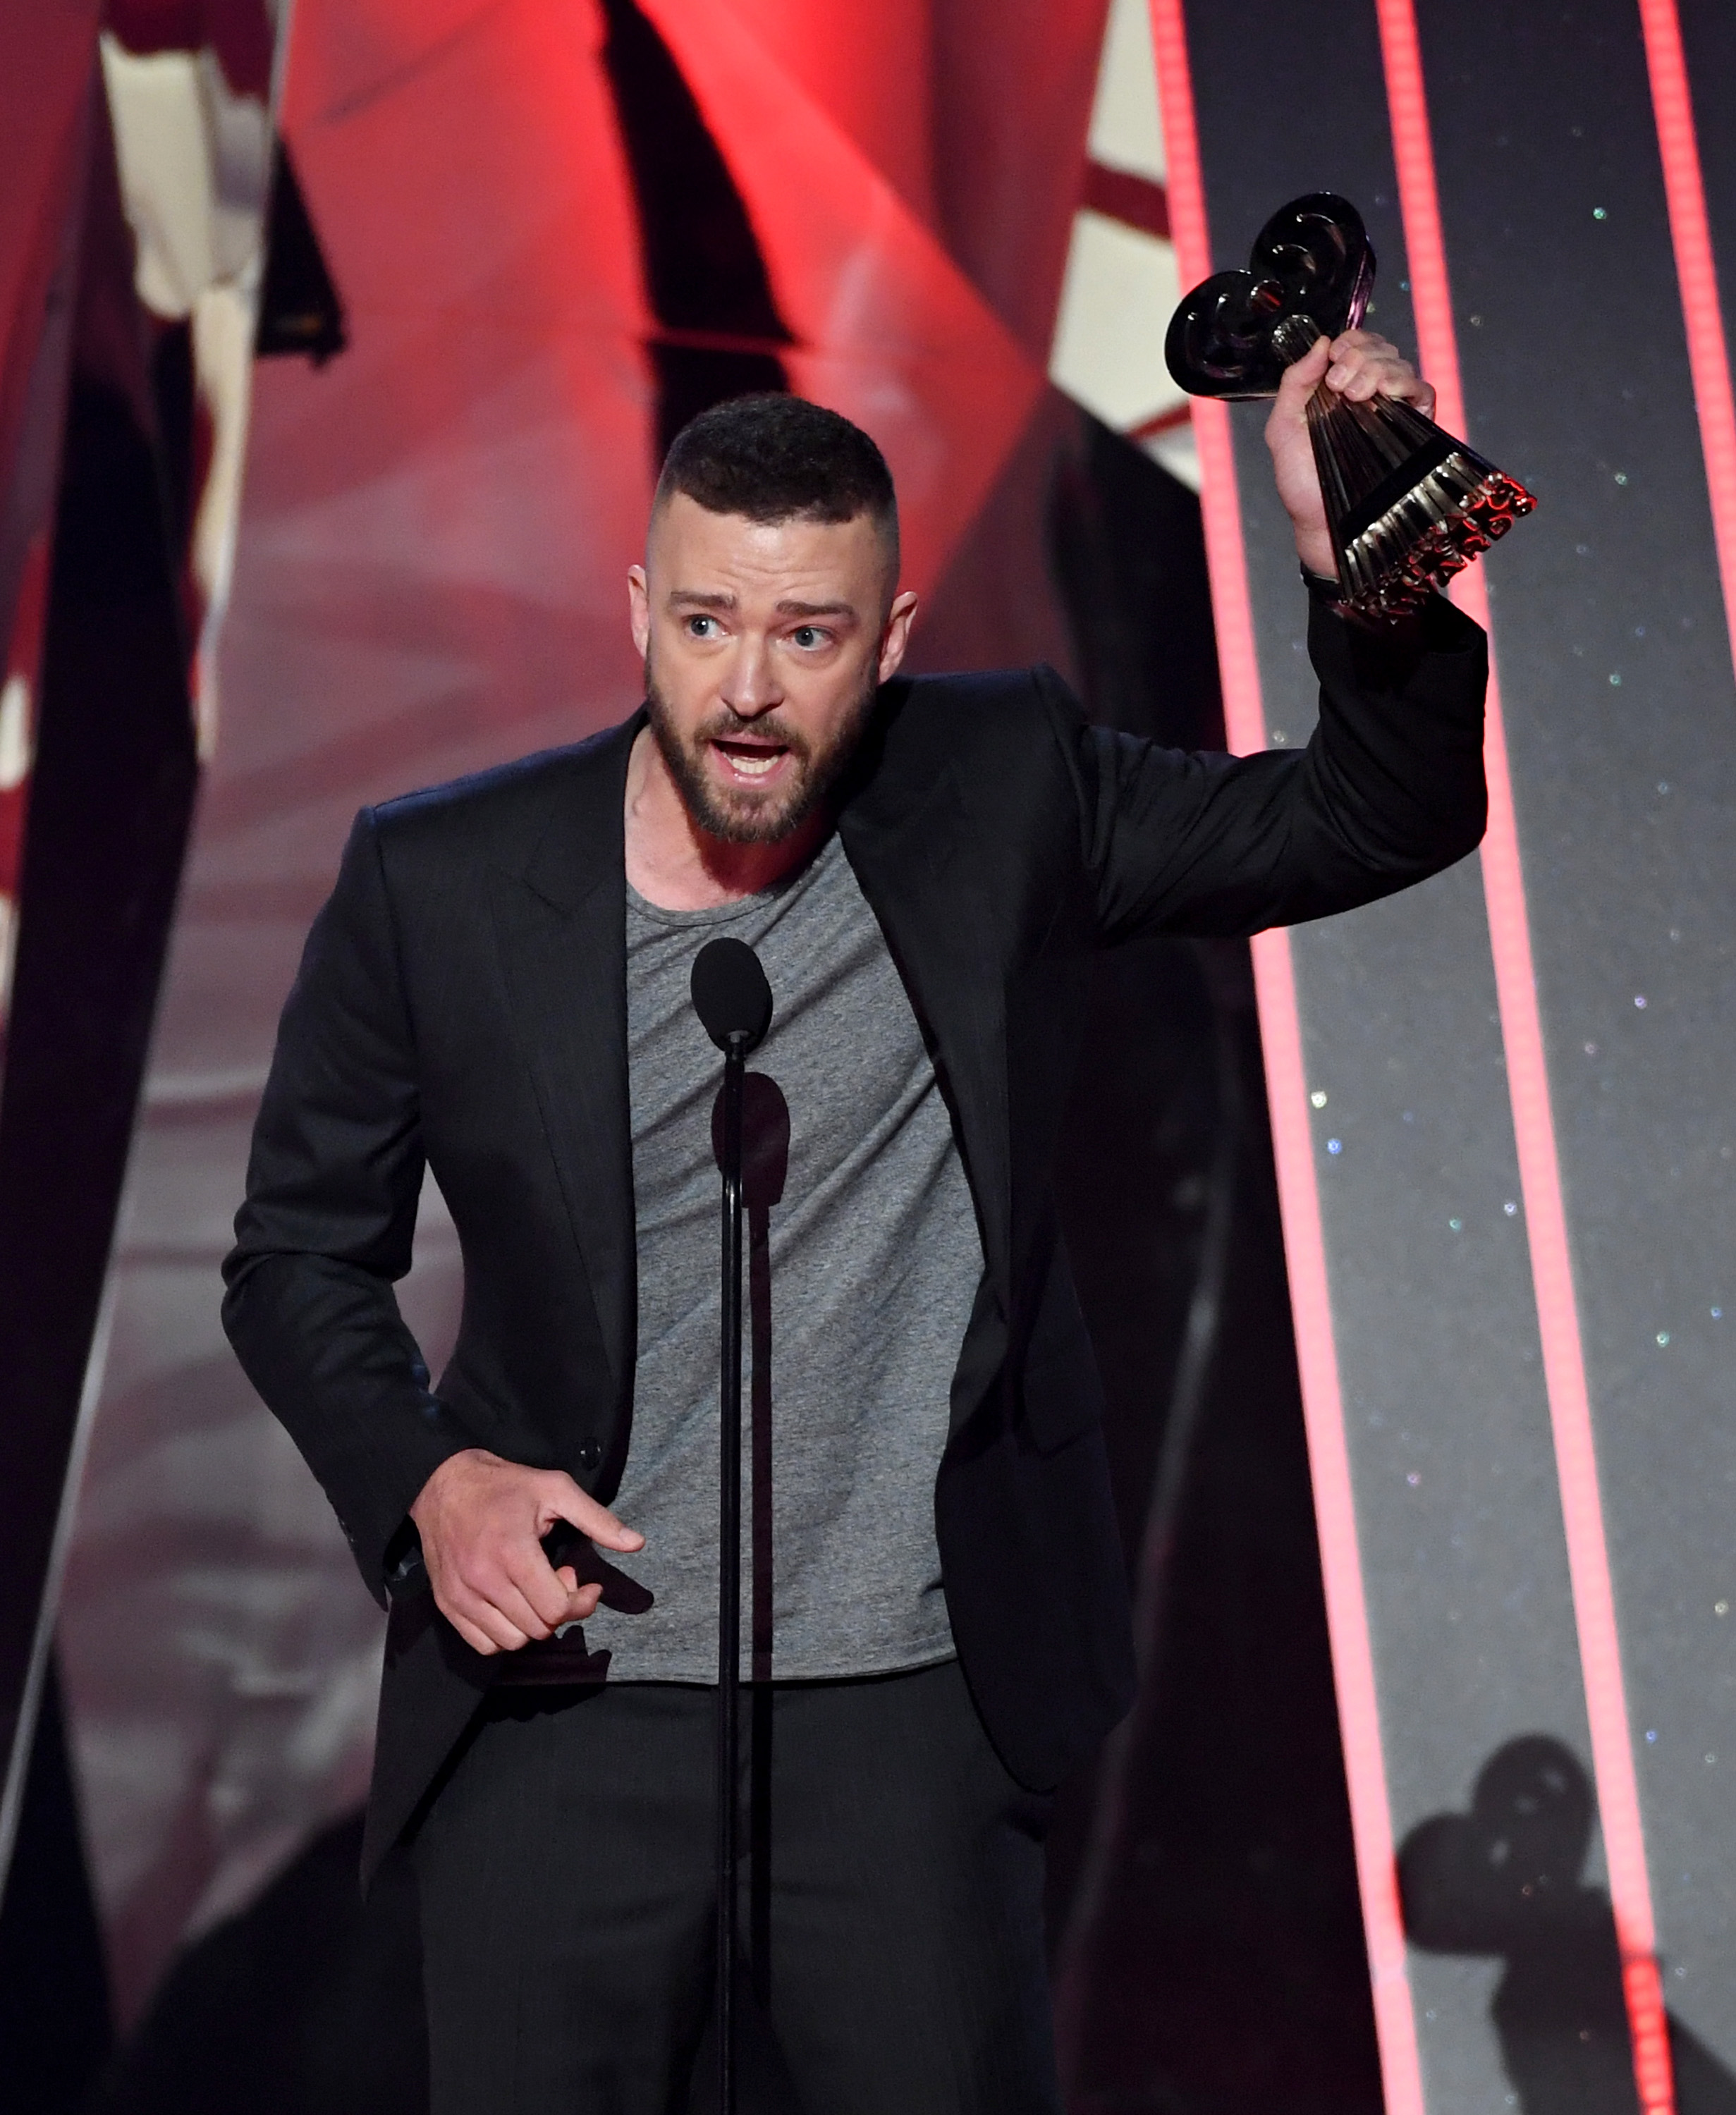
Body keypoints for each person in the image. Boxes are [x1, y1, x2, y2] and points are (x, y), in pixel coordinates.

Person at [222, 329, 1488, 2115]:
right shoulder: (435, 884)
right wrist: (432, 1483)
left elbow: (1384, 813)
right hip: (564, 1703)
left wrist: (1370, 542)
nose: (747, 689)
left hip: (908, 1710)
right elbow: (292, 1259)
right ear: (638, 607)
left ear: (889, 648)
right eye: (706, 624)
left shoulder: (1001, 793)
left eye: (806, 637)